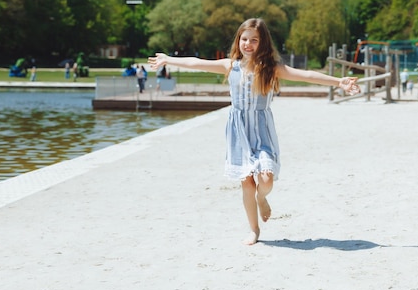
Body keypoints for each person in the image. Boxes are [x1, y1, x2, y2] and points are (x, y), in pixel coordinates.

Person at [148, 18, 360, 245]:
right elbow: (197, 62)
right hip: (238, 131)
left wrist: (339, 82)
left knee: (265, 180)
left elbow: (305, 75)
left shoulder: (272, 69)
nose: (247, 44)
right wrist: (167, 59)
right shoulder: (230, 65)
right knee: (247, 182)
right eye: (244, 39)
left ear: (263, 43)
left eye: (254, 40)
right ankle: (254, 230)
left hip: (262, 129)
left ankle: (262, 198)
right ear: (239, 40)